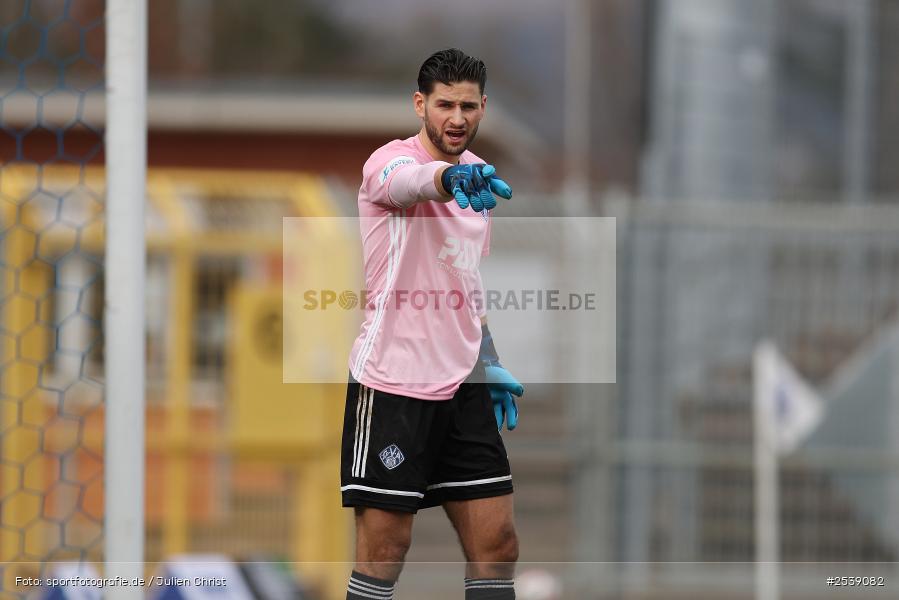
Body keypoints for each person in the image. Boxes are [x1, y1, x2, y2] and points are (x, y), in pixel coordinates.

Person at [341, 48, 524, 600]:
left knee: (498, 546)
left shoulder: (479, 184)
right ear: (420, 104)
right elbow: (407, 184)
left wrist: (487, 357)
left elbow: (466, 281)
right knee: (385, 552)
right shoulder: (390, 163)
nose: (457, 117)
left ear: (483, 108)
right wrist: (446, 179)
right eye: (445, 104)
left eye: (468, 106)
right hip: (393, 385)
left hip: (462, 385)